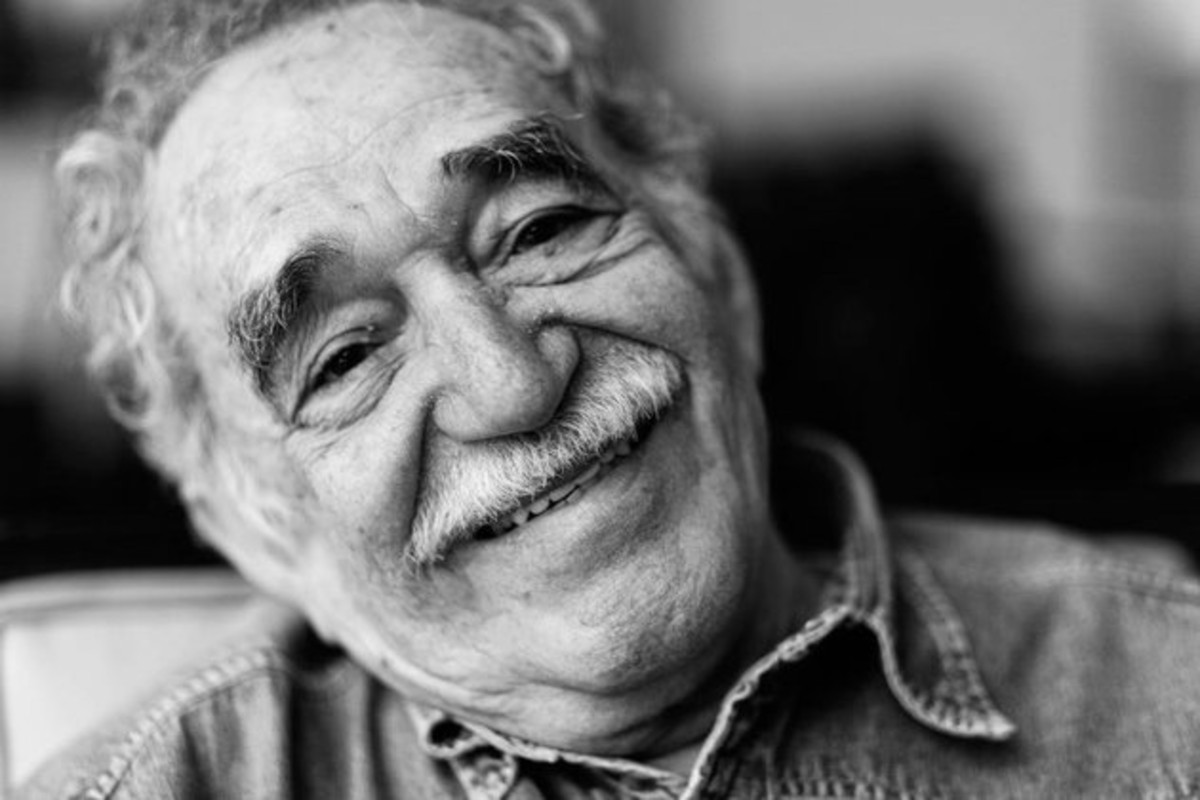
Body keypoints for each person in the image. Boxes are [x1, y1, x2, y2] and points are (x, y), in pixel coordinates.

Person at [20, 0, 1200, 797]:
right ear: (255, 529)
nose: (511, 381)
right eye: (342, 359)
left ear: (720, 273)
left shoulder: (1169, 683)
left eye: (539, 229)